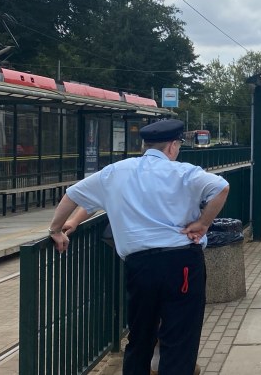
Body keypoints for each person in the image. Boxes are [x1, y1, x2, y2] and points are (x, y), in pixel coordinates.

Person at [46, 119, 230, 375]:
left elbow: (72, 196)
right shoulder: (183, 172)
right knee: (179, 338)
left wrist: (56, 229)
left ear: (146, 145)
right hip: (181, 263)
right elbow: (221, 187)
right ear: (173, 146)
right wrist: (203, 223)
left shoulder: (115, 172)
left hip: (139, 265)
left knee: (140, 336)